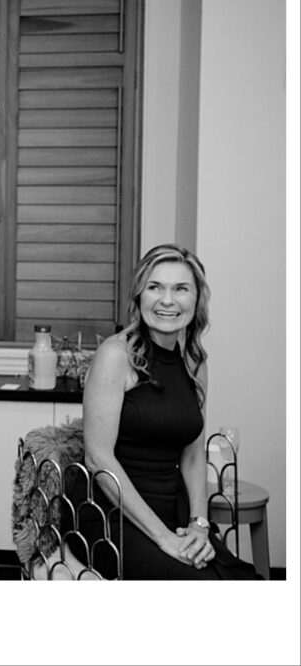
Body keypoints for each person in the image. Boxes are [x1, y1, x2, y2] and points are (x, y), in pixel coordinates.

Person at [81, 243, 260, 579]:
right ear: (139, 297)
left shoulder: (195, 361)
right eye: (155, 287)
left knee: (242, 580)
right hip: (114, 514)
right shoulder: (115, 355)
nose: (167, 300)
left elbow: (193, 453)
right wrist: (164, 539)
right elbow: (98, 459)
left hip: (173, 510)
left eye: (181, 289)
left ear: (196, 299)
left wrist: (199, 525)